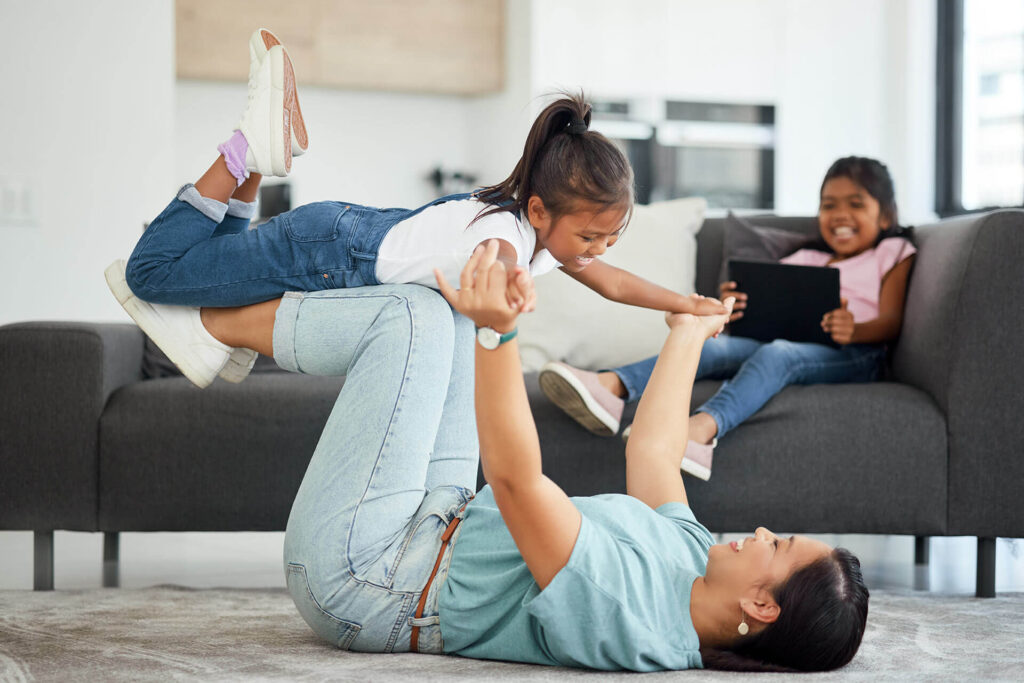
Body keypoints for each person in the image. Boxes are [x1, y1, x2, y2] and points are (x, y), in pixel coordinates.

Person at [194, 239, 868, 671]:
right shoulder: (696, 562)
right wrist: (690, 329)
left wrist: (502, 336)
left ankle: (201, 326)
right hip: (440, 517)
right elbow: (655, 453)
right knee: (445, 299)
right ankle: (220, 329)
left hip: (371, 577)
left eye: (775, 545)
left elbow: (517, 484)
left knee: (409, 320)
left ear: (762, 604)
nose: (757, 531)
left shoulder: (634, 617)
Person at [104, 28, 723, 388]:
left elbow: (614, 283)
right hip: (327, 253)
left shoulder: (540, 234)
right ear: (541, 211)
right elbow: (495, 258)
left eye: (608, 239)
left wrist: (684, 302)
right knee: (149, 274)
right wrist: (508, 288)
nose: (598, 252)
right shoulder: (509, 233)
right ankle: (244, 150)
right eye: (591, 237)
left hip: (338, 241)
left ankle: (261, 158)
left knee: (211, 268)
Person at [539, 156, 916, 481]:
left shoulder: (893, 251)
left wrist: (856, 331)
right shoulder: (807, 260)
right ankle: (612, 387)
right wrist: (734, 308)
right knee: (719, 348)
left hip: (856, 353)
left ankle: (700, 433)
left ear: (886, 215)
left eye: (856, 204)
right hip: (788, 340)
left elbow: (893, 321)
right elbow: (771, 312)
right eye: (829, 205)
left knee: (779, 355)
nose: (841, 216)